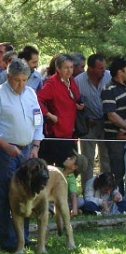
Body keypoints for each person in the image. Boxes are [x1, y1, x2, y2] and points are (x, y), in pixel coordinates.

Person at [0, 58, 44, 252]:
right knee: (4, 195)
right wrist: (5, 145)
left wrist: (36, 144)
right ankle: (7, 241)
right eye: (17, 80)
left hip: (27, 150)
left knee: (26, 193)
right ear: (8, 77)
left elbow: (38, 120)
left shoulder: (31, 94)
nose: (21, 84)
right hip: (4, 152)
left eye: (25, 80)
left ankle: (22, 238)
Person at [37, 54, 83, 167]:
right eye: (66, 67)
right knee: (62, 167)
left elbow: (75, 98)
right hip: (57, 132)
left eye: (71, 67)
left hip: (71, 131)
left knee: (73, 166)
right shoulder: (51, 83)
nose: (69, 70)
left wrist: (79, 105)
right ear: (58, 68)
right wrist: (50, 115)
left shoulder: (71, 81)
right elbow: (37, 99)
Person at [74, 54, 112, 186]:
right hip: (88, 125)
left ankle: (106, 190)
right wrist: (85, 118)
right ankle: (87, 194)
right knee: (87, 160)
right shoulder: (78, 81)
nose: (103, 70)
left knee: (106, 158)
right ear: (90, 68)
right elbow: (74, 104)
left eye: (104, 67)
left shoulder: (109, 76)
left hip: (107, 123)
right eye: (100, 68)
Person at [101, 56, 126, 195]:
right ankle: (119, 203)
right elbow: (111, 115)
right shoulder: (108, 89)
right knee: (117, 171)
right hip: (115, 138)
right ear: (120, 72)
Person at [60, 151, 88, 216]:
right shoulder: (58, 170)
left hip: (63, 201)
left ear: (74, 167)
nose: (68, 158)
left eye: (71, 158)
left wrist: (74, 209)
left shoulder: (71, 178)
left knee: (80, 201)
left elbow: (73, 195)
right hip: (51, 199)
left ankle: (71, 210)